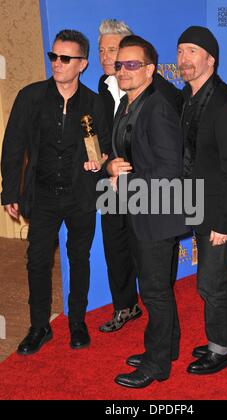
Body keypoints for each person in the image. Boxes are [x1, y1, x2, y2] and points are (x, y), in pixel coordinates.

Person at [1, 29, 110, 355]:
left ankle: (77, 321)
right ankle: (39, 327)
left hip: (81, 196)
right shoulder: (30, 96)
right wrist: (9, 192)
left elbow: (103, 146)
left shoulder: (93, 102)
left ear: (82, 64)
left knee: (79, 259)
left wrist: (99, 163)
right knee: (36, 261)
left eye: (65, 58)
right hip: (43, 195)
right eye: (54, 56)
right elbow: (12, 147)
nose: (57, 63)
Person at [90, 35, 189, 388]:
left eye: (132, 64)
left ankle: (157, 363)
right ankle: (168, 348)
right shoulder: (128, 105)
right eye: (119, 64)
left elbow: (168, 169)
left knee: (154, 292)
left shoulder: (157, 106)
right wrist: (111, 168)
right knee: (156, 288)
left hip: (157, 214)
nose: (123, 70)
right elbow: (124, 158)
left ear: (150, 69)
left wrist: (125, 177)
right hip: (139, 209)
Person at [177, 26, 227, 375]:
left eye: (192, 51)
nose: (184, 59)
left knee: (210, 282)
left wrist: (223, 224)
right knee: (223, 276)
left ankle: (221, 349)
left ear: (211, 58)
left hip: (224, 211)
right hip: (201, 205)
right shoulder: (189, 97)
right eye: (180, 51)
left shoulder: (225, 105)